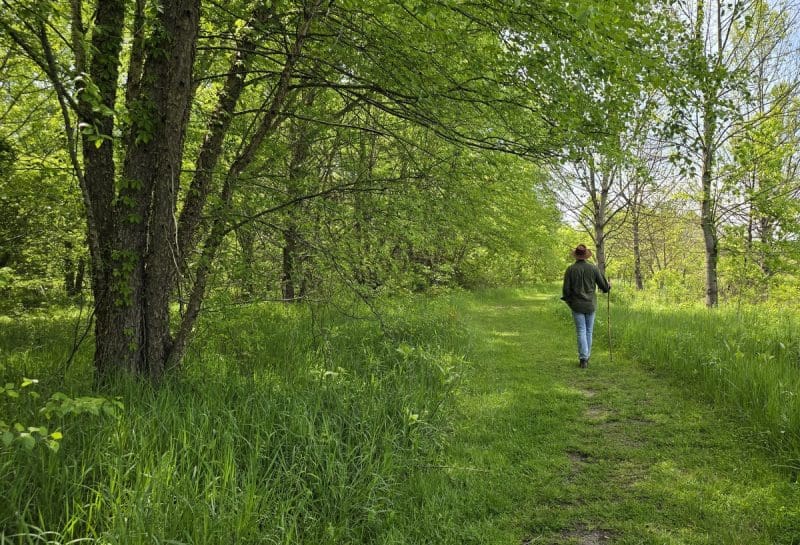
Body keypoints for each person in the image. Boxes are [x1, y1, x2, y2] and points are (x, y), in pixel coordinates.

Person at [561, 244, 610, 368]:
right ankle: (586, 357)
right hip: (590, 305)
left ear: (576, 256)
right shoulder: (593, 268)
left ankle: (584, 359)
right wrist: (608, 285)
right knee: (588, 331)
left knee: (581, 331)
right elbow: (604, 287)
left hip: (577, 305)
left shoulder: (570, 269)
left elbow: (566, 291)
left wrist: (569, 302)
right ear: (586, 255)